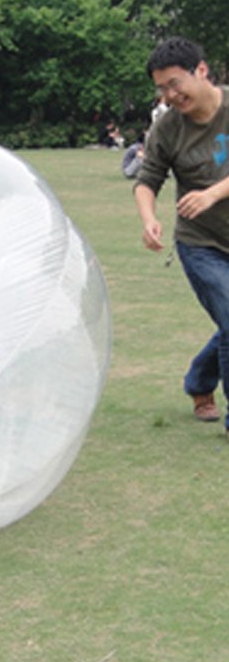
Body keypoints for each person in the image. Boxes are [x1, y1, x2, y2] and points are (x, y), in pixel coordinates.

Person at [134, 36, 229, 427]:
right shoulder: (168, 128)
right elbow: (147, 180)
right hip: (200, 243)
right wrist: (148, 218)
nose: (170, 96)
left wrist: (212, 193)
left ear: (201, 71)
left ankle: (199, 381)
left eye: (175, 84)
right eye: (162, 89)